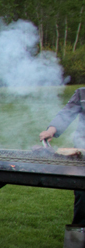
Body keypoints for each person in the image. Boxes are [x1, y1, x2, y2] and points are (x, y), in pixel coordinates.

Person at [39, 87, 85, 226]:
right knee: (83, 191)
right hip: (82, 151)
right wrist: (51, 130)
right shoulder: (82, 93)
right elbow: (66, 113)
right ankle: (79, 233)